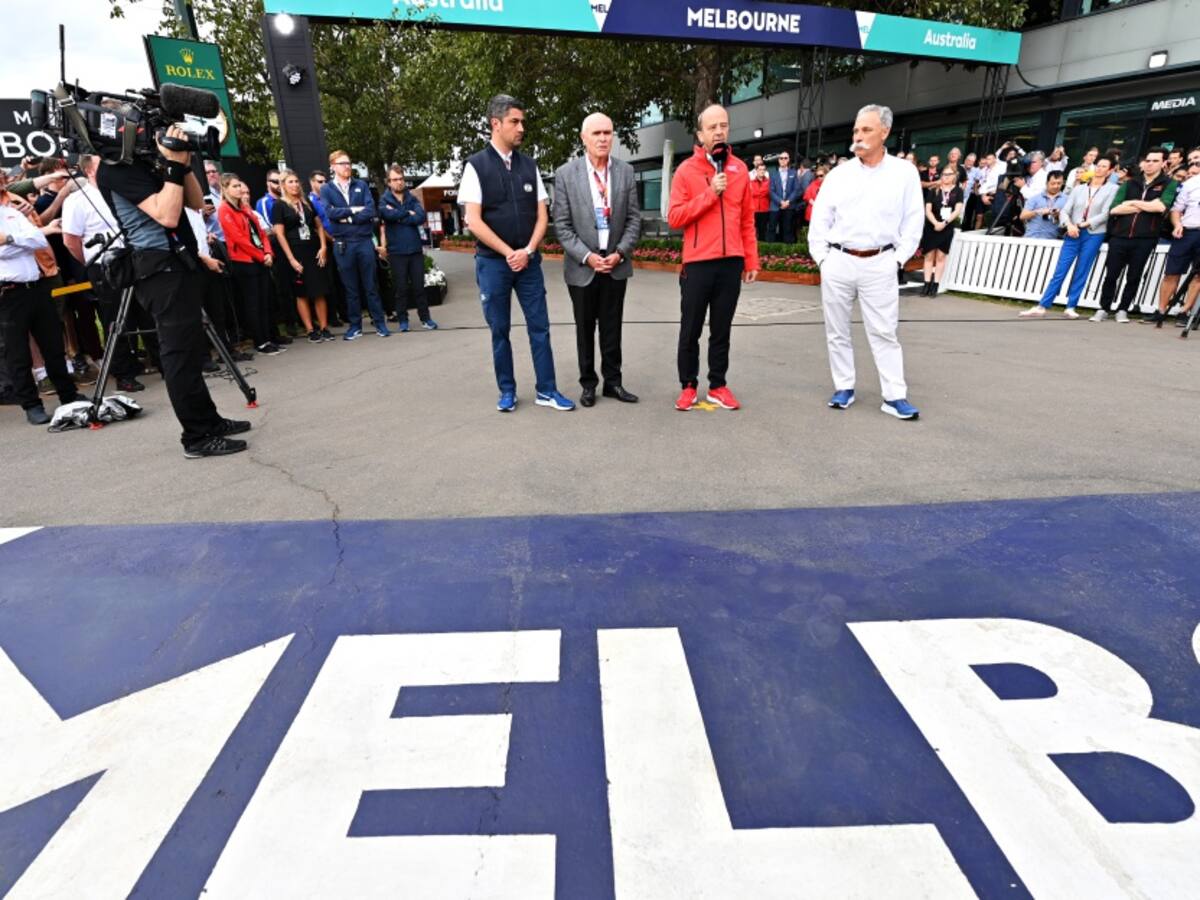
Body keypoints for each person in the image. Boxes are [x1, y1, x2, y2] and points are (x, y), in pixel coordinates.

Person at [96, 124, 249, 457]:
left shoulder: (149, 163)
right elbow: (166, 215)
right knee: (178, 356)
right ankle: (196, 437)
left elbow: (195, 202)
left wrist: (182, 160)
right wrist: (171, 165)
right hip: (158, 272)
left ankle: (210, 421)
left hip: (180, 265)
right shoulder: (116, 171)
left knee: (192, 352)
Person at [459, 94, 574, 412]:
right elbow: (474, 220)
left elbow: (542, 216)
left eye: (522, 121)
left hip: (529, 262)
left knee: (540, 326)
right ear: (495, 124)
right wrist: (511, 252)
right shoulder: (476, 166)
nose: (521, 127)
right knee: (500, 330)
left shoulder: (529, 166)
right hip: (493, 264)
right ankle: (506, 390)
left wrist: (528, 250)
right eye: (515, 121)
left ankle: (547, 390)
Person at [809, 103, 924, 420]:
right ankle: (844, 387)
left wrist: (897, 261)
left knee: (885, 332)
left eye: (866, 130)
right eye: (856, 130)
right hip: (839, 260)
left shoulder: (904, 173)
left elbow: (913, 222)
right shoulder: (839, 175)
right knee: (837, 330)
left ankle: (894, 395)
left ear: (884, 132)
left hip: (881, 263)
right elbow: (820, 220)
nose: (858, 136)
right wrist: (823, 259)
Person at [666, 103, 758, 411]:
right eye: (712, 127)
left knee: (722, 329)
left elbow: (747, 220)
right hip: (697, 263)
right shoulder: (686, 171)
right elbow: (675, 217)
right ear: (700, 133)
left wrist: (751, 260)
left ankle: (718, 384)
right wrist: (710, 194)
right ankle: (688, 386)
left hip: (731, 262)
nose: (719, 132)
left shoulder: (740, 169)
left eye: (724, 126)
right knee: (690, 329)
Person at [552, 111, 642, 407]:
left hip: (615, 264)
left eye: (608, 132)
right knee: (584, 327)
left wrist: (619, 253)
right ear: (584, 138)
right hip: (583, 267)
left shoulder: (626, 172)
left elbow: (633, 220)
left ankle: (613, 383)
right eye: (597, 133)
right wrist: (588, 256)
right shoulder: (566, 174)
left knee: (612, 327)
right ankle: (588, 384)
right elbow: (562, 226)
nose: (604, 138)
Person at [60, 153, 149, 393]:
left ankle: (160, 360)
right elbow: (71, 240)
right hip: (106, 263)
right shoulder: (76, 200)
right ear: (89, 170)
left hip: (135, 256)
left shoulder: (121, 189)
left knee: (146, 310)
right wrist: (92, 261)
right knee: (114, 319)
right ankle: (123, 373)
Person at [0, 180, 86, 424]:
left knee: (53, 346)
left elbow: (39, 241)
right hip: (8, 292)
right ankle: (31, 405)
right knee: (17, 353)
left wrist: (10, 239)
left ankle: (68, 395)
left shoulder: (12, 212)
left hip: (36, 286)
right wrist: (21, 240)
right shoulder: (14, 214)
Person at [1019, 155, 1118, 319]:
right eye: (1098, 165)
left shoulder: (1113, 189)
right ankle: (1042, 305)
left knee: (1082, 270)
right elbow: (1065, 210)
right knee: (1060, 270)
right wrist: (1070, 225)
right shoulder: (1079, 189)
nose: (1099, 169)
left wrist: (1086, 224)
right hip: (1072, 231)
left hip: (1093, 233)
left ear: (1111, 170)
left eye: (1104, 166)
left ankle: (1071, 306)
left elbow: (1107, 213)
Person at [1091, 147, 1178, 323]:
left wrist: (1131, 203)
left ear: (1163, 163)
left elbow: (1162, 207)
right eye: (1147, 160)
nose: (1150, 164)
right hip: (1120, 236)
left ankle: (1123, 309)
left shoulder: (1169, 184)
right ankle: (1103, 307)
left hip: (1145, 238)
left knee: (1134, 275)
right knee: (1111, 274)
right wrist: (1146, 204)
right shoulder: (1130, 183)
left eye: (1155, 161)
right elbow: (1114, 209)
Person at [320, 150, 390, 340]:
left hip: (364, 242)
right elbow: (329, 213)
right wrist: (353, 211)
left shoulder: (361, 185)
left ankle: (380, 324)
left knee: (371, 285)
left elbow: (369, 211)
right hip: (343, 244)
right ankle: (355, 326)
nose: (347, 166)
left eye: (349, 163)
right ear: (333, 166)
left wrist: (346, 216)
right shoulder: (326, 189)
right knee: (350, 288)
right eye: (343, 163)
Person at [219, 173, 283, 356]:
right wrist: (261, 255)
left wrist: (268, 252)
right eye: (234, 186)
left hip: (261, 258)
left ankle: (268, 337)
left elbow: (262, 233)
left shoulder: (245, 208)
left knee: (264, 300)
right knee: (253, 302)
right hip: (245, 262)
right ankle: (260, 341)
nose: (239, 189)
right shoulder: (224, 210)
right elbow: (239, 239)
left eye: (240, 185)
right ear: (225, 189)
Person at [272, 169, 334, 343]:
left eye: (296, 181)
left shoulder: (306, 203)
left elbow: (319, 226)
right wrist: (291, 259)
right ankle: (310, 330)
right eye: (290, 182)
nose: (294, 185)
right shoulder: (279, 205)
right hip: (295, 252)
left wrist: (323, 247)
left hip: (313, 250)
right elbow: (280, 235)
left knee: (319, 290)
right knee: (302, 293)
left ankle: (323, 327)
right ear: (283, 185)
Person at [378, 165, 437, 333]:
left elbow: (420, 217)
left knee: (419, 287)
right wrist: (407, 214)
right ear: (389, 182)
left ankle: (425, 318)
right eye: (395, 179)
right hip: (396, 252)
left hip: (415, 250)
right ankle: (403, 320)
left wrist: (399, 214)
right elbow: (387, 215)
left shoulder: (411, 197)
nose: (399, 182)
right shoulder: (384, 200)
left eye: (401, 179)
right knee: (401, 288)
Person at [1145, 149, 1200, 325]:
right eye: (1192, 163)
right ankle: (1161, 310)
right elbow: (1176, 209)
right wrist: (1177, 225)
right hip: (1187, 231)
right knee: (1171, 272)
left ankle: (1185, 312)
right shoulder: (1190, 184)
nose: (1194, 165)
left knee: (1198, 276)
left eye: (1197, 162)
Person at [919, 166, 964, 295]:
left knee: (941, 256)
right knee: (928, 255)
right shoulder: (934, 190)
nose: (946, 177)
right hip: (931, 226)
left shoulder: (958, 191)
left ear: (954, 176)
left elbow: (957, 210)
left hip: (946, 227)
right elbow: (927, 209)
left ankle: (935, 285)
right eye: (944, 174)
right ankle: (926, 284)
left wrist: (944, 223)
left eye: (949, 174)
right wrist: (935, 223)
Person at [1019, 170, 1068, 239]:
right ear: (1047, 183)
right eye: (1053, 183)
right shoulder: (1035, 198)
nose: (1056, 186)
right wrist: (1038, 212)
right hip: (1031, 237)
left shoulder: (1067, 200)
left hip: (1053, 240)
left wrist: (1059, 215)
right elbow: (1022, 216)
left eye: (1059, 183)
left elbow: (1070, 221)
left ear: (1063, 183)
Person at [768, 151, 801, 244]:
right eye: (781, 158)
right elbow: (771, 191)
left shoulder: (793, 173)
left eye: (785, 158)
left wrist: (788, 202)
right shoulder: (773, 174)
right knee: (772, 229)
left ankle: (787, 254)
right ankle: (770, 253)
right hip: (775, 206)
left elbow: (796, 189)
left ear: (788, 160)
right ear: (778, 160)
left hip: (789, 206)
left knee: (788, 229)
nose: (783, 160)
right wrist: (781, 202)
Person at [750, 161, 770, 241]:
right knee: (752, 231)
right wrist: (761, 193)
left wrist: (757, 193)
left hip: (764, 210)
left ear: (765, 171)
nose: (761, 171)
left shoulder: (769, 182)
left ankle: (762, 248)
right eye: (760, 169)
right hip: (753, 210)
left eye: (763, 170)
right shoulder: (751, 182)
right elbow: (751, 194)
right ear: (756, 171)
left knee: (763, 230)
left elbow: (768, 192)